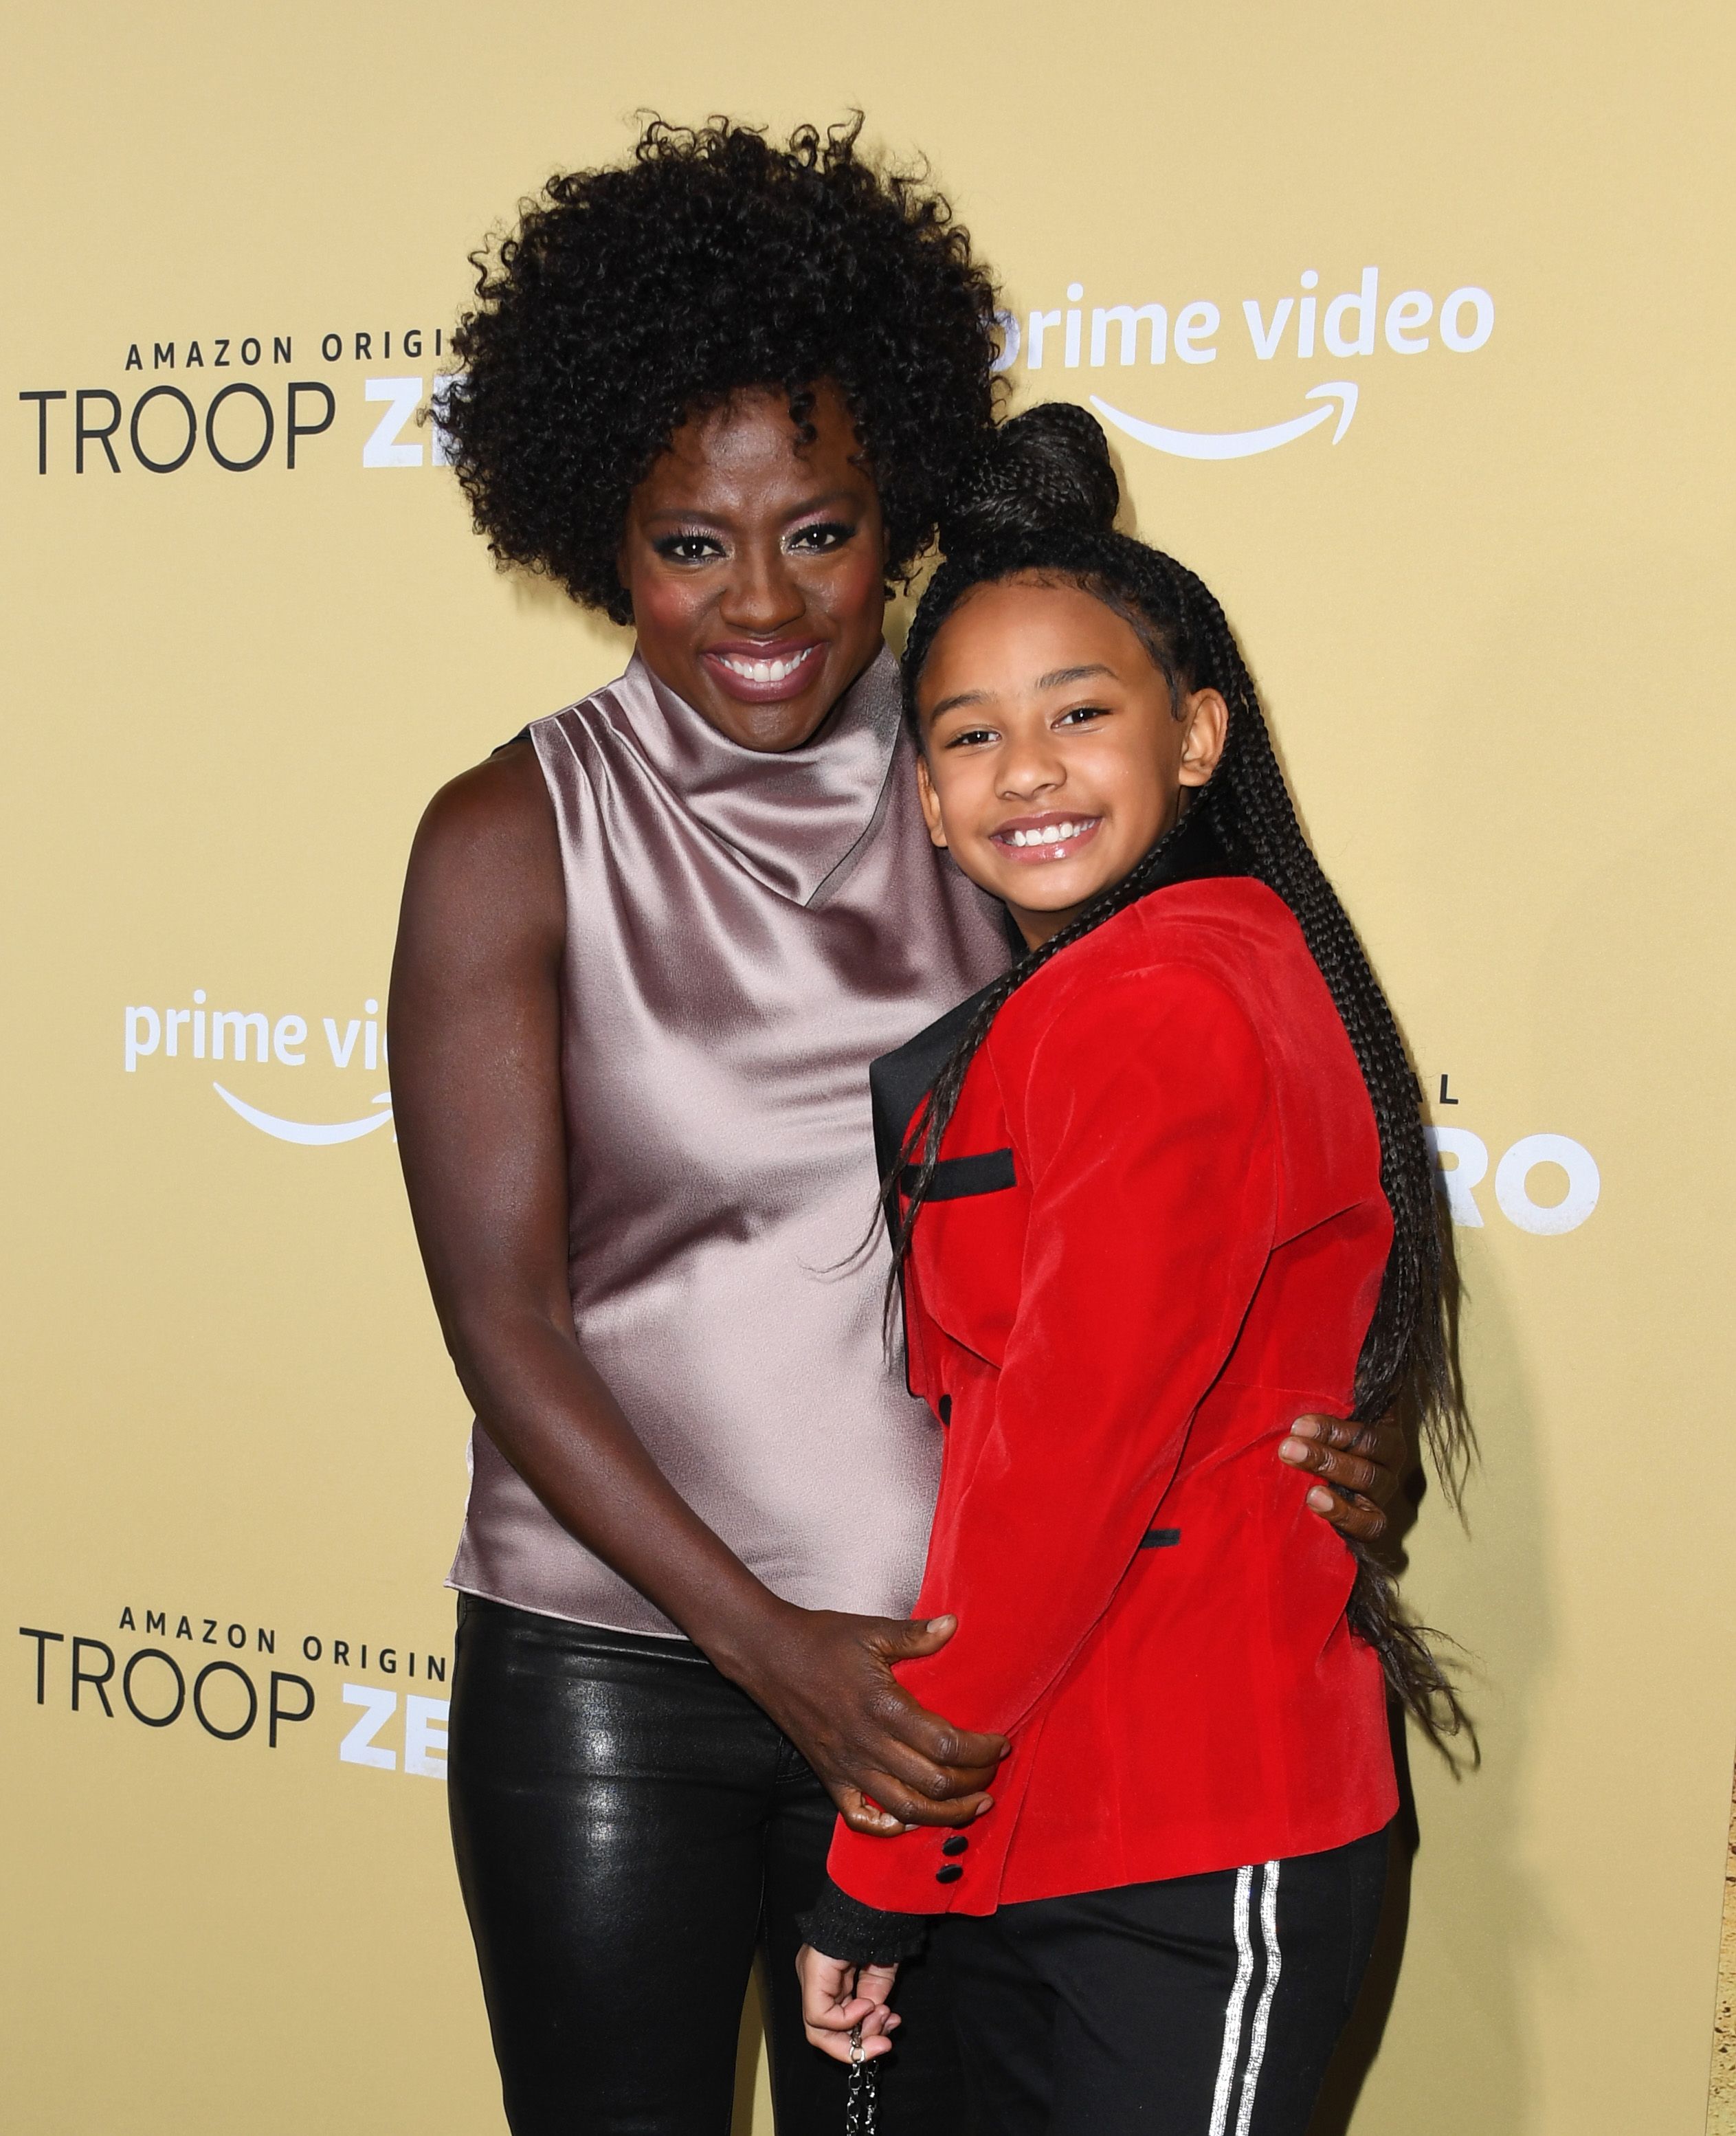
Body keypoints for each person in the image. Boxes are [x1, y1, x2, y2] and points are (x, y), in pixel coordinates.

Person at [390, 120, 1407, 2136]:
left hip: (962, 1700)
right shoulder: (507, 836)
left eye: (822, 528)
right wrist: (767, 1643)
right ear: (601, 531)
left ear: (897, 511)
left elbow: (1221, 1167)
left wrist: (1337, 1418)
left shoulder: (1006, 783)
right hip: (620, 1670)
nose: (758, 599)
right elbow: (503, 1318)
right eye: (692, 539)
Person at [796, 403, 1469, 2136]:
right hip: (1056, 1821)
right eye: (969, 734)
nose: (1025, 768)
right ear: (928, 799)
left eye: (1080, 712)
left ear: (1198, 734)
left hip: (1180, 1848)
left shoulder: (1160, 998)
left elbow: (1066, 1459)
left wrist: (881, 1854)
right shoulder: (1119, 992)